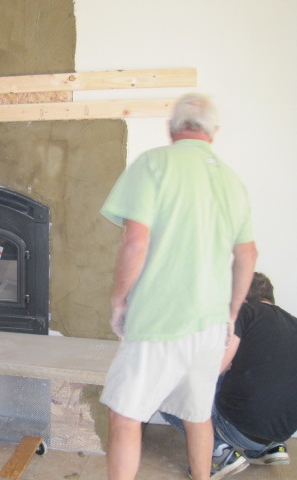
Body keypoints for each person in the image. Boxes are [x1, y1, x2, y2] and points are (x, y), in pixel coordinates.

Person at [98, 93, 258, 480]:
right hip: (210, 323)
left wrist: (118, 301)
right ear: (213, 132)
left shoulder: (153, 164)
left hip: (159, 318)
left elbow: (135, 242)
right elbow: (248, 254)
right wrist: (231, 314)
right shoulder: (231, 181)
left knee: (125, 416)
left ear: (172, 129)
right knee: (197, 415)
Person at [162, 272, 297, 478]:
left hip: (239, 428)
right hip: (282, 431)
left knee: (168, 394)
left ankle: (219, 452)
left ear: (241, 300)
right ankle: (269, 448)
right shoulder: (292, 322)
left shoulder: (244, 312)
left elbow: (214, 369)